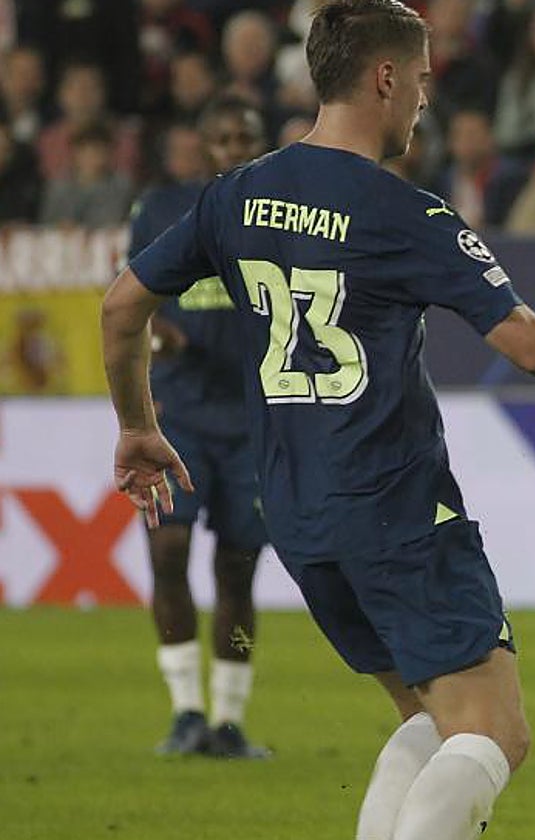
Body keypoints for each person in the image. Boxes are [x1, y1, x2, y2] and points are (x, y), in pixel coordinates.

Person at [100, 3, 535, 839]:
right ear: (385, 77)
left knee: (431, 719)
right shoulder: (402, 212)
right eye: (422, 80)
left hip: (299, 517)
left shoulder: (237, 195)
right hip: (395, 512)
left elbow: (121, 307)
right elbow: (530, 343)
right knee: (495, 730)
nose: (426, 100)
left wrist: (137, 424)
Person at [126, 95, 272, 759]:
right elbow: (132, 299)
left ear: (261, 144)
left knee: (237, 572)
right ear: (204, 144)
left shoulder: (283, 218)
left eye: (245, 137)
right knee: (168, 555)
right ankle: (185, 709)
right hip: (178, 417)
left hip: (255, 421)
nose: (234, 148)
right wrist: (162, 335)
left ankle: (230, 715)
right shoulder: (161, 210)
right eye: (223, 137)